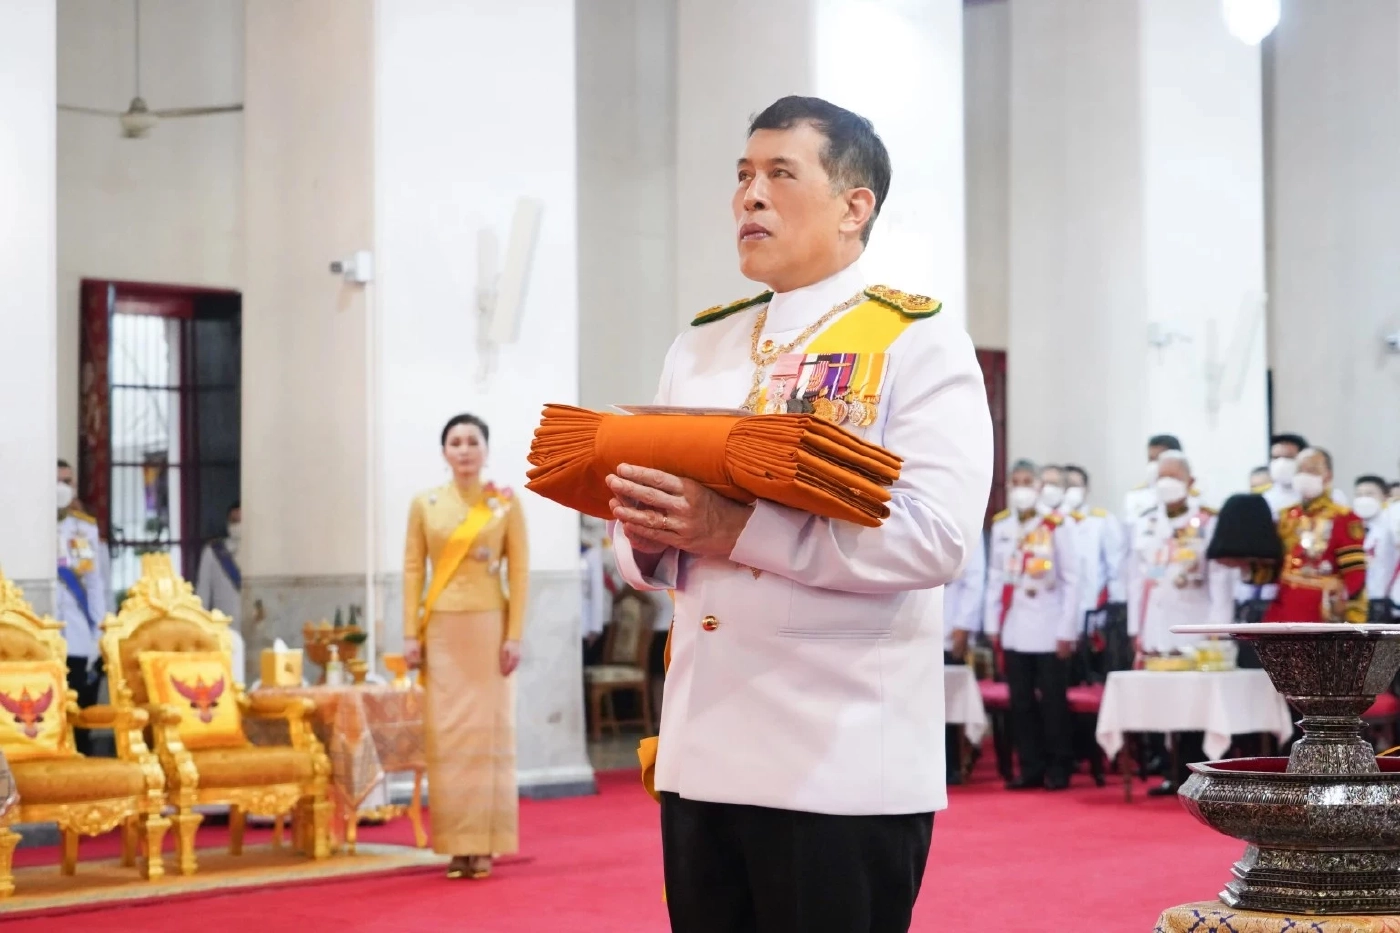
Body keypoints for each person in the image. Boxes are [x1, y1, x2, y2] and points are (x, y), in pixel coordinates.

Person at [605, 96, 992, 932]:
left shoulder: (915, 340)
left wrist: (731, 528)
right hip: (703, 747)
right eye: (743, 175)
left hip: (839, 754)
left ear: (856, 207)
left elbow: (936, 538)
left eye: (781, 174)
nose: (750, 195)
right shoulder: (699, 347)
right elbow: (644, 550)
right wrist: (643, 531)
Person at [402, 413, 528, 881]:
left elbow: (518, 571)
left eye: (472, 441)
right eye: (455, 442)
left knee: (487, 736)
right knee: (448, 737)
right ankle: (456, 846)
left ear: (485, 450)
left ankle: (487, 845)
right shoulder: (425, 504)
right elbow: (413, 569)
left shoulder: (504, 505)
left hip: (489, 629)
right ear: (444, 452)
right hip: (441, 631)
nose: (464, 449)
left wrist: (514, 634)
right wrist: (409, 634)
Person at [1124, 451, 1235, 794]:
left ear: (1190, 482)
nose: (1167, 484)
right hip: (1156, 622)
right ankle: (1171, 772)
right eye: (1161, 477)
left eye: (1174, 476)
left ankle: (1204, 774)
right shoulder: (1145, 520)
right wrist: (1134, 629)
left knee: (1196, 704)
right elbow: (1134, 578)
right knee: (1164, 702)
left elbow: (1220, 581)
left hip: (1195, 622)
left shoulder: (1208, 521)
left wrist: (1219, 631)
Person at [985, 459, 1080, 791]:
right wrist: (992, 624)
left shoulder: (1057, 524)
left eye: (1028, 481)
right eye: (1017, 481)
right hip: (1014, 623)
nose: (1022, 487)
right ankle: (1030, 766)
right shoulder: (1002, 526)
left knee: (1052, 701)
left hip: (1049, 624)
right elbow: (996, 577)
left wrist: (1068, 630)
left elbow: (1072, 580)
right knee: (1020, 702)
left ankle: (1059, 766)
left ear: (1039, 486)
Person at [1265, 447, 1367, 623]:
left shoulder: (1344, 518)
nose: (1304, 475)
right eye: (1300, 470)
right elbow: (1274, 565)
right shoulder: (1285, 517)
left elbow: (1355, 575)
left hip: (1322, 612)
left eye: (1312, 470)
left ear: (1327, 476)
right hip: (1283, 608)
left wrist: (1347, 617)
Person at [56, 467, 111, 755]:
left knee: (80, 704)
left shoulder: (82, 529)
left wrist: (98, 632)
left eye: (66, 482)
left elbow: (93, 582)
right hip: (41, 630)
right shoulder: (27, 523)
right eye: (55, 481)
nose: (60, 487)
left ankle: (83, 758)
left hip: (76, 633)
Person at [1064, 464, 1127, 672]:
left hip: (1095, 604)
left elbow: (1115, 566)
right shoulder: (1053, 522)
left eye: (1076, 485)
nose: (1070, 490)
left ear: (1086, 489)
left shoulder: (1101, 520)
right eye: (1066, 485)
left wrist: (1117, 607)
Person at [943, 532, 985, 786]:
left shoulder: (963, 517)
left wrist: (964, 624)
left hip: (949, 626)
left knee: (948, 705)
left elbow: (974, 579)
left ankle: (951, 765)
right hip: (911, 627)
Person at [194, 502, 247, 679]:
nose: (237, 526)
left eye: (241, 521)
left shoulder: (259, 553)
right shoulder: (214, 553)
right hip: (225, 632)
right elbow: (202, 598)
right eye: (233, 521)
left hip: (255, 631)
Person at [1354, 475, 1398, 622]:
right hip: (1356, 598)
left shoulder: (1391, 523)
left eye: (1370, 494)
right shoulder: (1352, 526)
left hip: (1382, 598)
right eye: (1359, 494)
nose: (1363, 499)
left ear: (1385, 497)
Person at [1123, 435, 1183, 528]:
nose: (1153, 465)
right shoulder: (1135, 495)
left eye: (1159, 459)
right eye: (1151, 459)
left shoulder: (1193, 496)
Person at [1262, 433, 1308, 518]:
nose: (1281, 463)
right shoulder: (1264, 499)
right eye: (1276, 457)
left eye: (1289, 458)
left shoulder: (1318, 498)